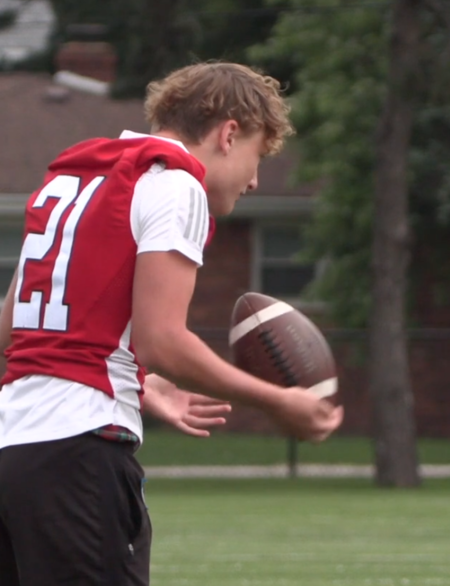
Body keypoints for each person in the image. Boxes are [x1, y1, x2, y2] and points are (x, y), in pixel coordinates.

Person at [0, 62, 344, 585]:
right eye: (258, 154)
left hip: (12, 451)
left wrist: (137, 383)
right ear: (229, 133)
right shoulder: (175, 183)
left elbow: (15, 333)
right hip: (78, 453)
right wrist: (280, 401)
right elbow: (161, 340)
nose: (254, 179)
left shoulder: (75, 178)